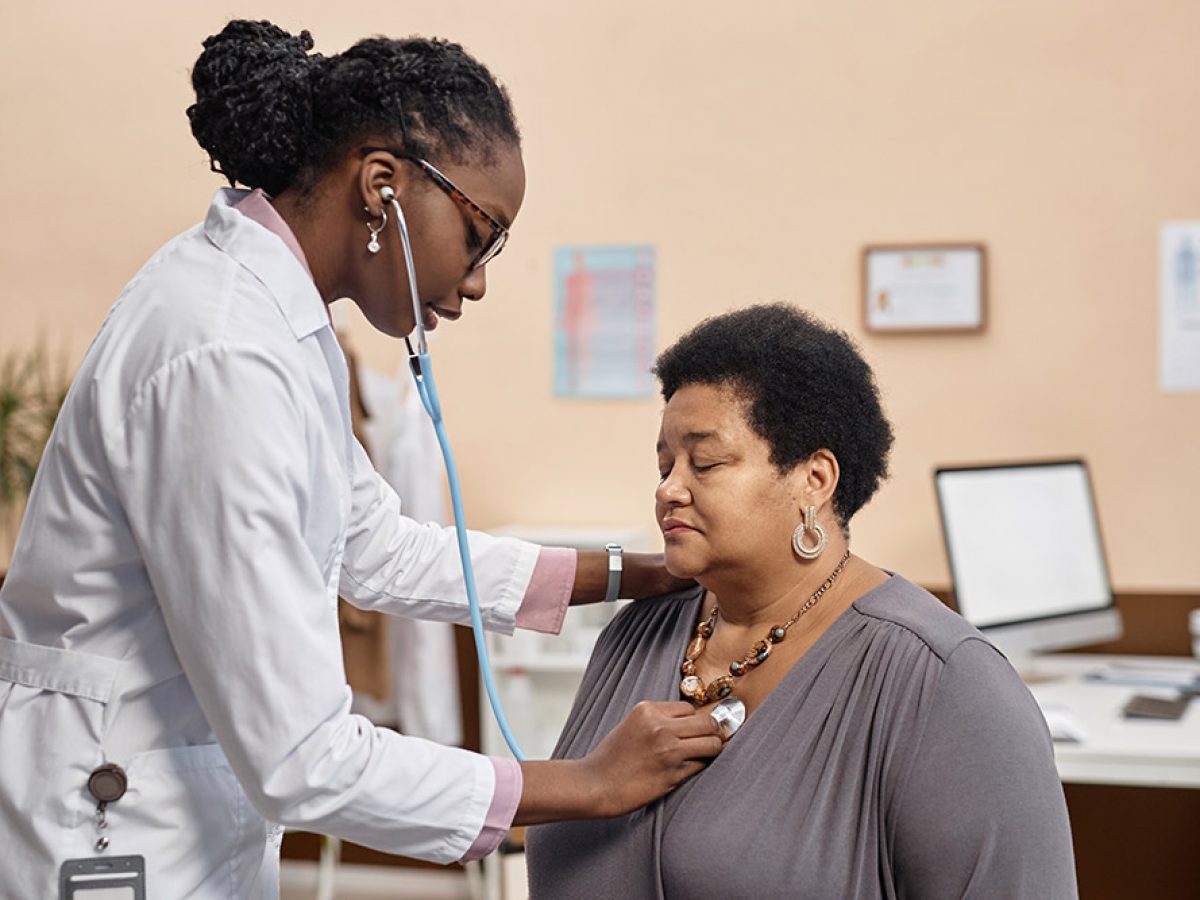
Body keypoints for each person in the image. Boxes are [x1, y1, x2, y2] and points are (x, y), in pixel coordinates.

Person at [0, 20, 724, 899]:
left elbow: (375, 545)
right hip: (112, 825)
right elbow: (303, 756)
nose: (481, 278)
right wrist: (587, 783)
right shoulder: (225, 353)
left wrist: (630, 572)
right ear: (383, 187)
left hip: (177, 807)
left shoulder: (281, 324)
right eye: (481, 233)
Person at [526, 304, 1078, 899]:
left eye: (704, 462)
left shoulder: (945, 683)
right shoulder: (634, 637)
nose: (669, 488)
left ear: (814, 480)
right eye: (665, 464)